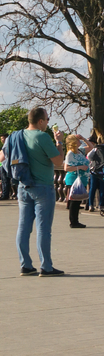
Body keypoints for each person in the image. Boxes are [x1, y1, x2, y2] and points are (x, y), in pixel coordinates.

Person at [1, 107, 65, 276]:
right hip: (43, 187)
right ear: (40, 121)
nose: (48, 123)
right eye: (47, 119)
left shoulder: (15, 136)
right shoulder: (42, 137)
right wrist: (59, 142)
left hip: (22, 186)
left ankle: (26, 265)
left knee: (23, 227)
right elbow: (59, 161)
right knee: (43, 229)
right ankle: (46, 267)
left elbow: (2, 157)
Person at [63, 134, 93, 228]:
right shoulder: (70, 153)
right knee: (74, 201)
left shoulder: (80, 151)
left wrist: (84, 138)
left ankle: (76, 220)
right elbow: (66, 168)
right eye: (77, 140)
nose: (79, 141)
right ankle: (73, 222)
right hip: (74, 179)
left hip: (82, 179)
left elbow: (91, 147)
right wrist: (80, 167)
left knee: (78, 200)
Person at [86, 132, 104, 212]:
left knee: (92, 188)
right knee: (102, 189)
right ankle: (101, 205)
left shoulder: (97, 148)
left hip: (95, 170)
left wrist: (93, 163)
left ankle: (91, 205)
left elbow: (89, 156)